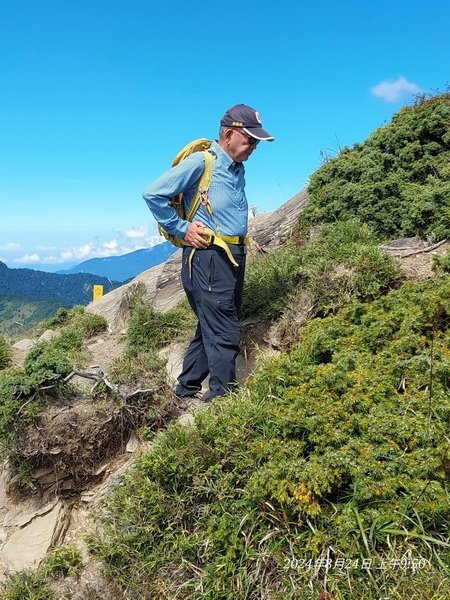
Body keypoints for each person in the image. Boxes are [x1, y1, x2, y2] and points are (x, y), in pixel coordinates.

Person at [143, 104, 274, 403]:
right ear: (229, 134)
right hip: (209, 257)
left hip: (232, 255)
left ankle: (186, 388)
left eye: (256, 142)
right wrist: (181, 228)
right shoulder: (203, 163)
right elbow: (153, 193)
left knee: (211, 324)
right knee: (224, 330)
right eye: (250, 140)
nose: (254, 147)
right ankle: (222, 399)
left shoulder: (236, 168)